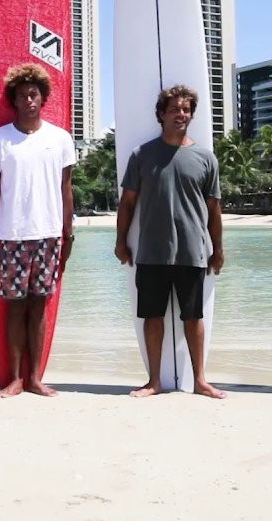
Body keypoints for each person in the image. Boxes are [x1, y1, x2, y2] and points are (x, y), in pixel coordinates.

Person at [115, 85, 226, 399]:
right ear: (161, 114)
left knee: (194, 317)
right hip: (151, 251)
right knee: (153, 316)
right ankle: (154, 381)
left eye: (186, 109)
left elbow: (214, 208)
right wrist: (120, 241)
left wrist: (218, 249)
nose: (181, 115)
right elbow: (127, 203)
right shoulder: (142, 154)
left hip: (193, 251)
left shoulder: (206, 158)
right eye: (175, 109)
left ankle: (201, 380)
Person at [0, 63, 75, 398]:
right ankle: (14, 379)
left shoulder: (60, 138)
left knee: (40, 304)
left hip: (48, 235)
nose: (28, 100)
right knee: (15, 306)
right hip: (12, 234)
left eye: (33, 94)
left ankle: (34, 377)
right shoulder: (0, 139)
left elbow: (66, 189)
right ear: (14, 101)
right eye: (21, 96)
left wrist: (68, 232)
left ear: (42, 98)